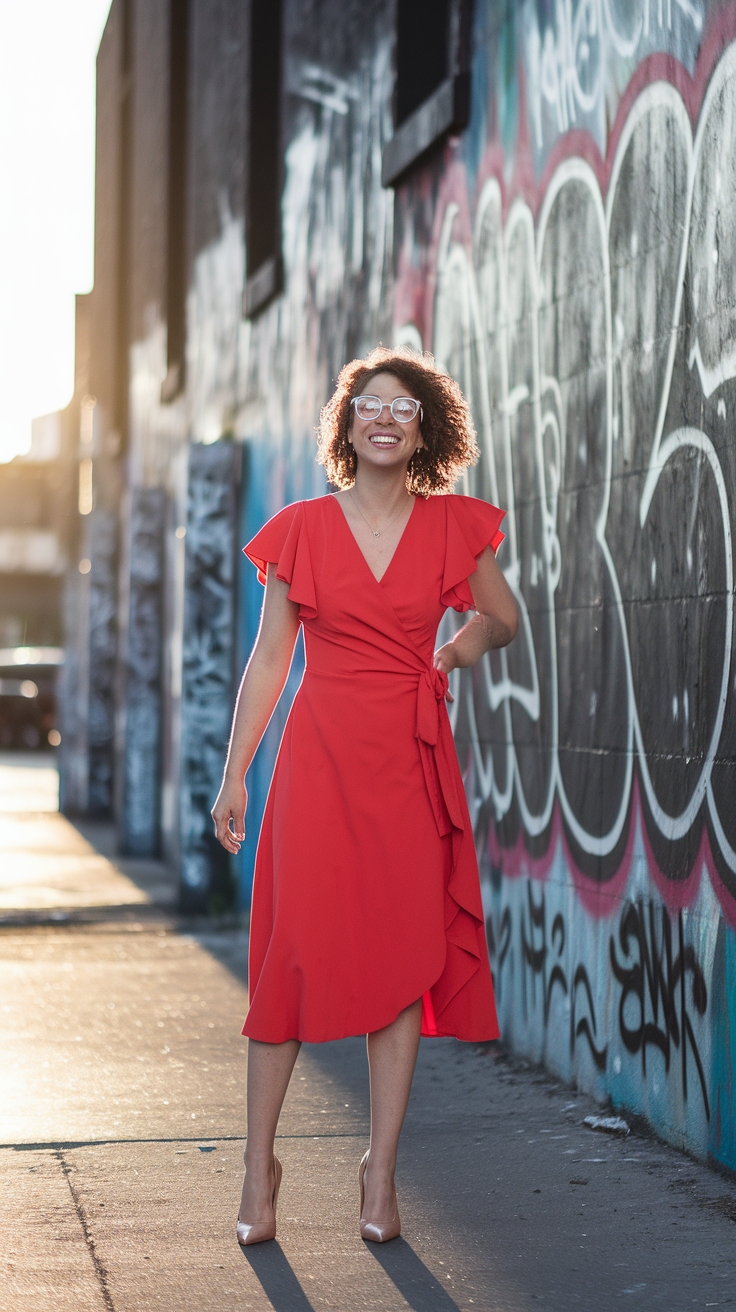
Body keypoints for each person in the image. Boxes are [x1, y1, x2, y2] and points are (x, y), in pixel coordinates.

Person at [212, 346, 518, 1246]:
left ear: (426, 428)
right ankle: (257, 1170)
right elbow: (270, 659)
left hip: (408, 763)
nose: (384, 419)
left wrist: (452, 654)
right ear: (346, 427)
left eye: (403, 408)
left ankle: (379, 1176)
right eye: (368, 407)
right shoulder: (302, 527)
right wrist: (236, 773)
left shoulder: (456, 524)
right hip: (319, 761)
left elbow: (503, 619)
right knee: (289, 961)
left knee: (399, 965)